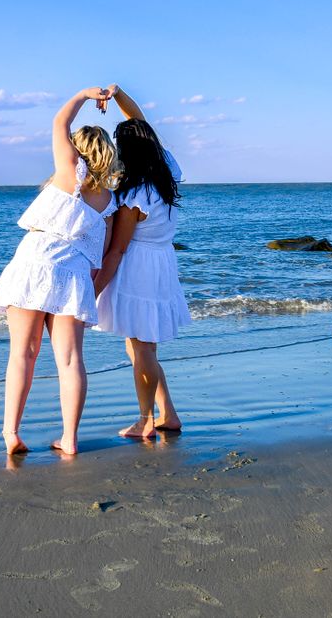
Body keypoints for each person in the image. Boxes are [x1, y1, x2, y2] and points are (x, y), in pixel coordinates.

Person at [0, 87, 120, 456]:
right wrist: (89, 292)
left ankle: (11, 432)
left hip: (36, 264)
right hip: (75, 275)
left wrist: (84, 95)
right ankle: (70, 439)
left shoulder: (69, 172)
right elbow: (104, 258)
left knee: (22, 354)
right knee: (70, 360)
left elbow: (59, 121)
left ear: (80, 150)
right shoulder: (109, 202)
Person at [94, 84, 191, 440]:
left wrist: (91, 291)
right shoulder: (168, 176)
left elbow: (117, 251)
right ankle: (168, 414)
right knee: (140, 344)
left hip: (138, 270)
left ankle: (145, 420)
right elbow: (140, 121)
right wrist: (117, 93)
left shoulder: (134, 196)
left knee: (143, 347)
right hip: (162, 264)